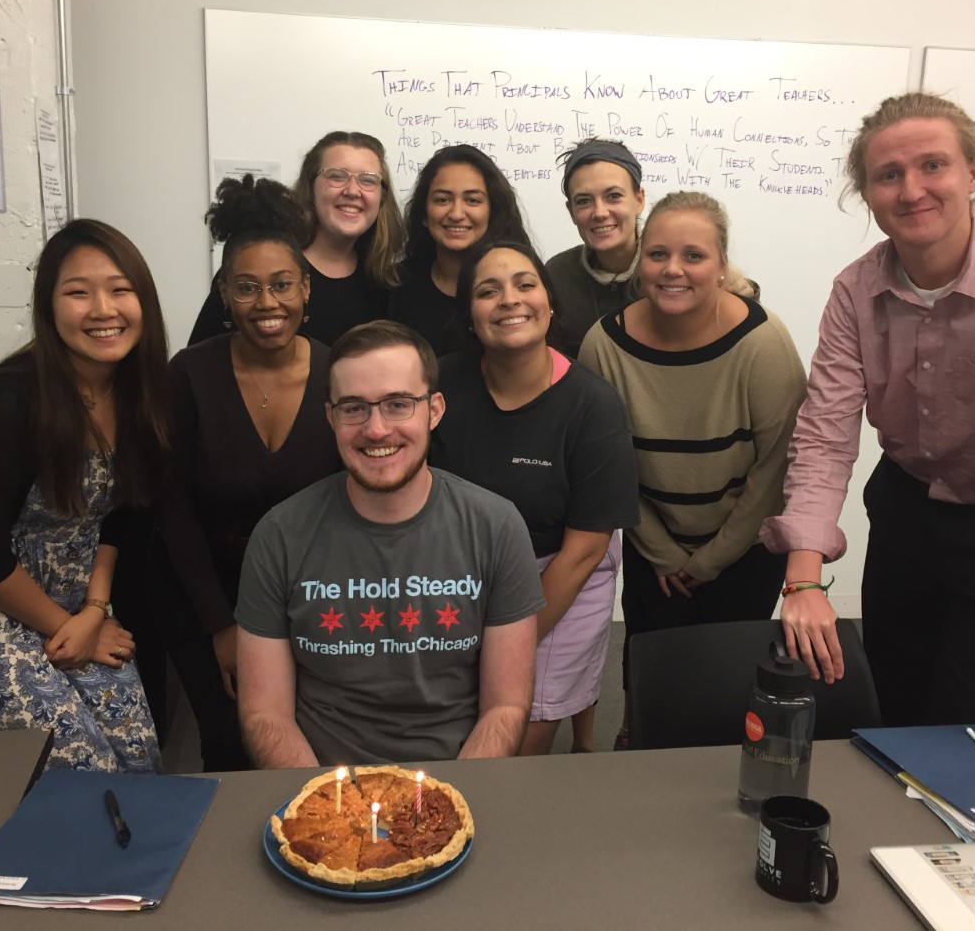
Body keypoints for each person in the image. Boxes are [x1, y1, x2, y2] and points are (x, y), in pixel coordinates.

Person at [760, 92, 975, 746]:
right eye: (888, 175)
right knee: (894, 704)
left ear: (974, 171)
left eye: (932, 166)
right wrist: (802, 578)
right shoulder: (856, 290)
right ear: (868, 193)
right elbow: (825, 431)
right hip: (908, 511)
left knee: (964, 725)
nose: (912, 190)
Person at [0, 219, 171, 772]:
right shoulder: (11, 398)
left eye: (120, 289)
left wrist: (94, 610)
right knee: (76, 765)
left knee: (137, 751)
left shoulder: (140, 391)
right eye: (77, 292)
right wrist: (68, 628)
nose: (102, 309)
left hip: (75, 601)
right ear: (48, 308)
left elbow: (124, 516)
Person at [234, 320, 544, 767]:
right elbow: (265, 716)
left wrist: (451, 803)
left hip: (456, 777)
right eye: (354, 408)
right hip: (322, 784)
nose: (376, 430)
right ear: (330, 417)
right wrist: (329, 807)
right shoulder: (279, 535)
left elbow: (506, 707)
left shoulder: (496, 527)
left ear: (434, 410)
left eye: (398, 404)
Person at [580, 191, 807, 750]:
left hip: (745, 547)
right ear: (640, 263)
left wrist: (710, 560)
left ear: (722, 266)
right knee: (651, 667)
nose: (673, 270)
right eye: (657, 255)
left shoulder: (764, 343)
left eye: (694, 256)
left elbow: (776, 470)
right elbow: (611, 465)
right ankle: (638, 748)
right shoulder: (603, 345)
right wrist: (659, 550)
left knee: (726, 680)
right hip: (651, 540)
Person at [153, 175, 342, 770]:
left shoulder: (343, 374)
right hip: (205, 591)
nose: (268, 304)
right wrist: (221, 626)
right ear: (224, 294)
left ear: (306, 288)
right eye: (248, 287)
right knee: (229, 742)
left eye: (283, 285)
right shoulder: (188, 375)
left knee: (311, 739)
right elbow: (172, 508)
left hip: (314, 594)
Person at [432, 240, 639, 755]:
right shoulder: (438, 385)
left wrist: (507, 640)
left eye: (525, 284)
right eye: (488, 290)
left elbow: (585, 550)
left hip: (561, 575)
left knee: (518, 738)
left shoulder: (593, 405)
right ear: (469, 314)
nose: (509, 299)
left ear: (549, 303)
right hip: (460, 572)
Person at [188, 131, 403, 346]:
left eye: (368, 180)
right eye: (337, 176)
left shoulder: (385, 281)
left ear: (381, 197)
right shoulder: (259, 265)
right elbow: (201, 361)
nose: (353, 191)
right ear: (311, 186)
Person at [389, 144, 531, 355]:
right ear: (424, 214)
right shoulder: (393, 285)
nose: (456, 213)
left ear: (492, 212)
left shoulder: (520, 291)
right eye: (442, 200)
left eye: (472, 200)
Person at [546, 138, 646, 358]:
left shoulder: (670, 268)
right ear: (571, 210)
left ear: (639, 200)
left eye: (613, 196)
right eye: (583, 201)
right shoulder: (556, 275)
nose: (600, 213)